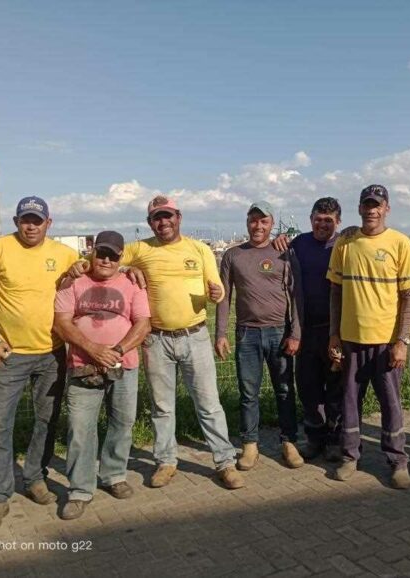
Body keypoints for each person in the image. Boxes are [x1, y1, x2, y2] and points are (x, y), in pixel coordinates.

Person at [72, 196, 244, 490]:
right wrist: (125, 268)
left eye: (168, 216)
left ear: (179, 217)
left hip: (195, 335)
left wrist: (217, 294)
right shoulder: (140, 249)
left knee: (209, 404)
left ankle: (225, 462)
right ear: (149, 222)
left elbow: (217, 291)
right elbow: (105, 262)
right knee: (162, 406)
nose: (163, 222)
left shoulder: (199, 249)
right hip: (156, 339)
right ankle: (166, 461)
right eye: (156, 218)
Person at [0, 196, 79, 533]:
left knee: (47, 420)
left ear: (49, 222)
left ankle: (35, 477)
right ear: (16, 221)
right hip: (10, 355)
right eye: (25, 220)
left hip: (53, 352)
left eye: (37, 220)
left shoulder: (64, 254)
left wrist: (128, 269)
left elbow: (95, 273)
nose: (30, 226)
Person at [327, 184, 410, 489]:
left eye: (377, 205)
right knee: (350, 401)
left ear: (386, 209)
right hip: (352, 339)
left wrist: (402, 342)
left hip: (386, 343)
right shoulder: (347, 241)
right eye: (367, 204)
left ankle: (397, 461)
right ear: (359, 208)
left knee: (391, 404)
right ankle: (350, 457)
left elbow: (409, 296)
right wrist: (334, 335)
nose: (371, 210)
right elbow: (336, 292)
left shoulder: (400, 243)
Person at [54, 231, 151, 520]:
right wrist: (93, 349)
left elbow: (143, 324)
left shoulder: (132, 282)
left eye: (113, 255)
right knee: (80, 429)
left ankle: (113, 475)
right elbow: (61, 323)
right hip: (83, 366)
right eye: (101, 253)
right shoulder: (72, 281)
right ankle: (80, 490)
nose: (106, 259)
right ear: (91, 252)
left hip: (123, 365)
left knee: (122, 423)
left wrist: (117, 350)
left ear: (121, 257)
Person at [215, 201, 304, 470]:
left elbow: (296, 295)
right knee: (248, 392)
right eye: (254, 220)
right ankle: (250, 445)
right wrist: (220, 333)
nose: (258, 226)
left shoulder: (285, 253)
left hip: (279, 332)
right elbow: (223, 297)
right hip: (247, 334)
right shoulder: (233, 256)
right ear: (247, 222)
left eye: (263, 221)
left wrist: (296, 333)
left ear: (271, 223)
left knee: (285, 390)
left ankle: (289, 442)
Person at [287, 198, 344, 462]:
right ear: (310, 219)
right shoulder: (298, 244)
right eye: (318, 219)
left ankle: (335, 440)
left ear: (338, 222)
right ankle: (314, 437)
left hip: (337, 330)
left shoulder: (345, 245)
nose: (322, 224)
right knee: (308, 387)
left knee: (335, 388)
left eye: (328, 220)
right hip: (306, 329)